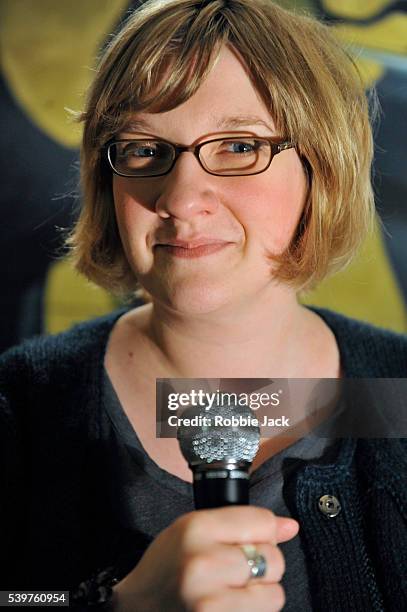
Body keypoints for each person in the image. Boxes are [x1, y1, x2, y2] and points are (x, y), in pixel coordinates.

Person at [1, 0, 406, 610]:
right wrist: (117, 604)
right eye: (143, 149)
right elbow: (18, 600)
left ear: (321, 167)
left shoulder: (399, 393)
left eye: (239, 146)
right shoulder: (20, 404)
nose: (183, 198)